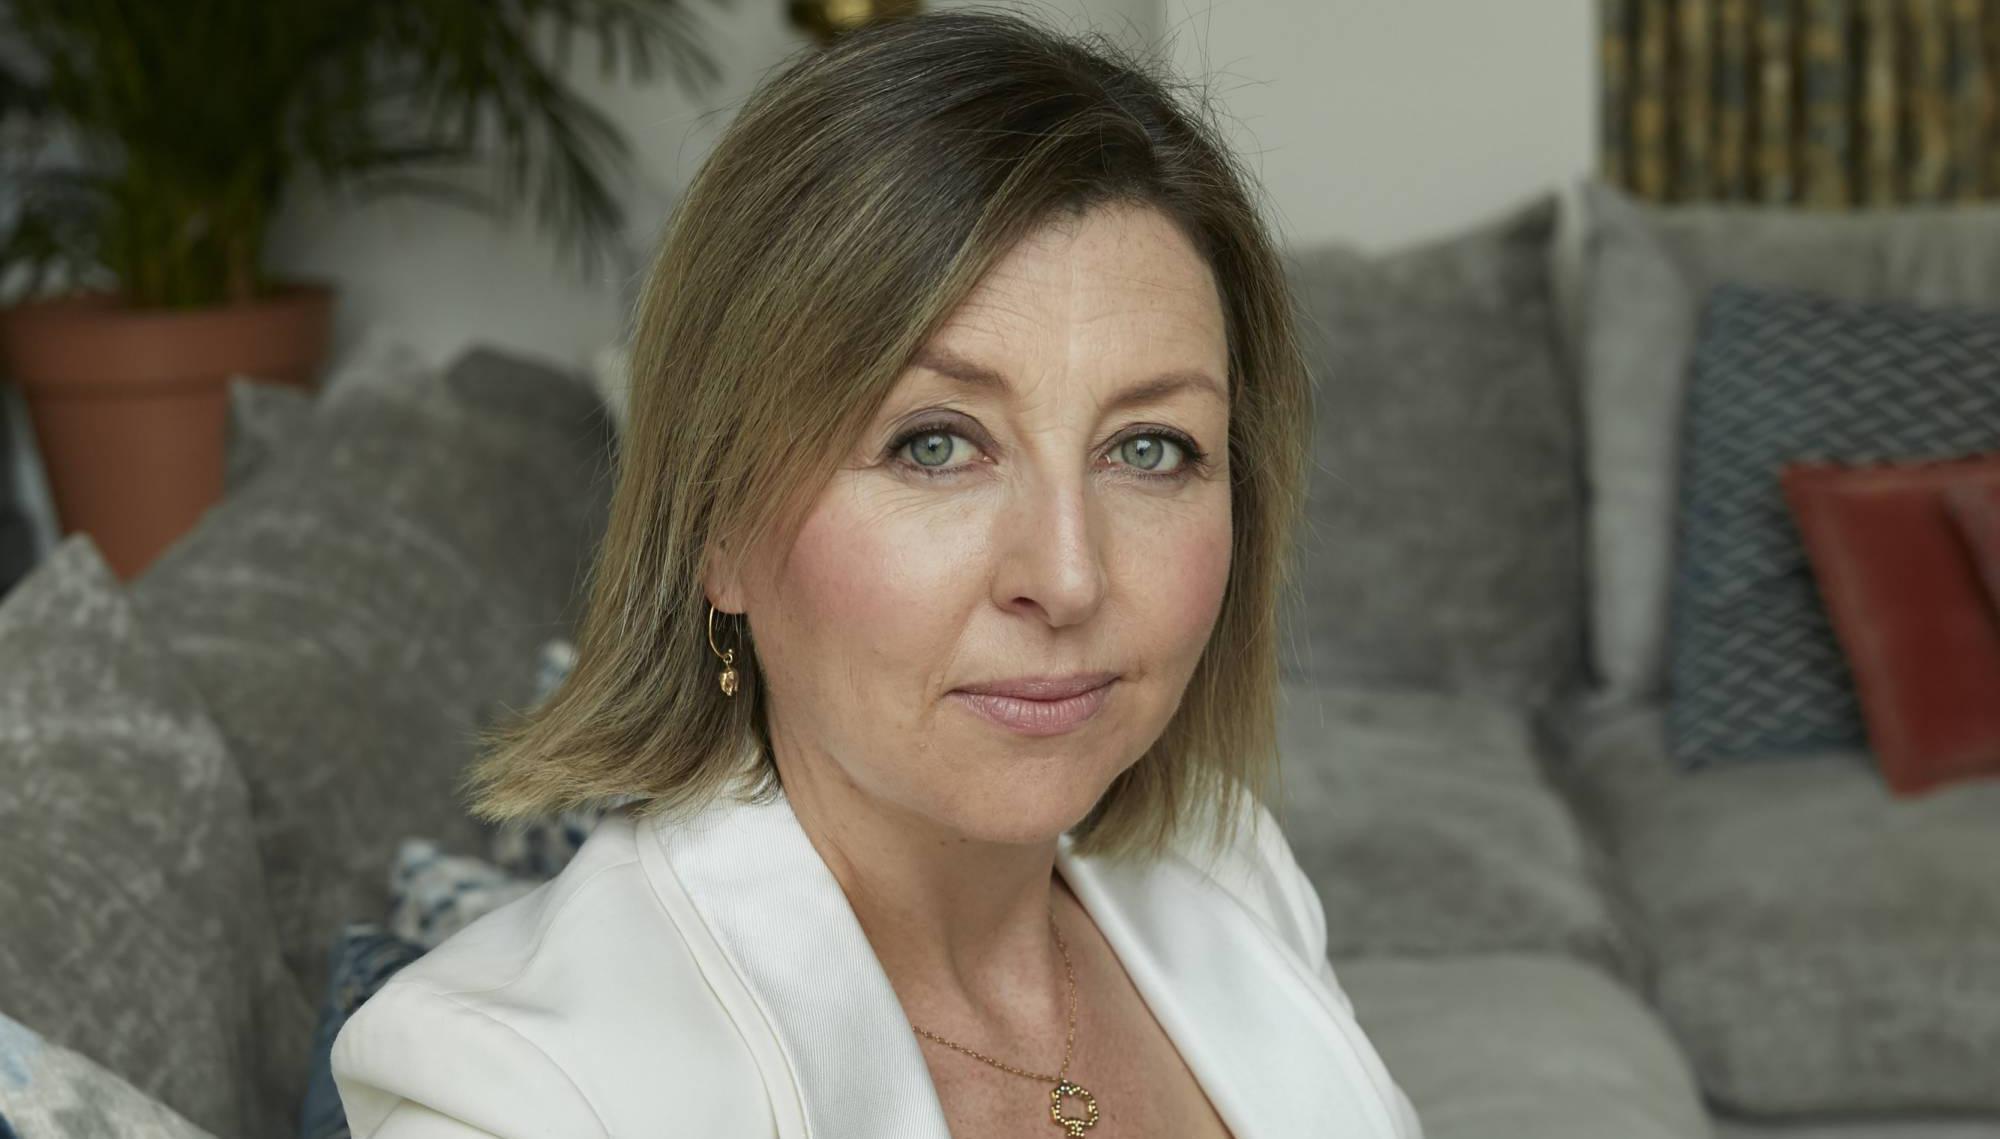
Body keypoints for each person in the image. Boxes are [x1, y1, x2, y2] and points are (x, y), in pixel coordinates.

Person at [330, 8, 1424, 1137]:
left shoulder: (1226, 872)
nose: (1067, 577)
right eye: (934, 444)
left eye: (1148, 448)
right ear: (718, 524)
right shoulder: (520, 1098)